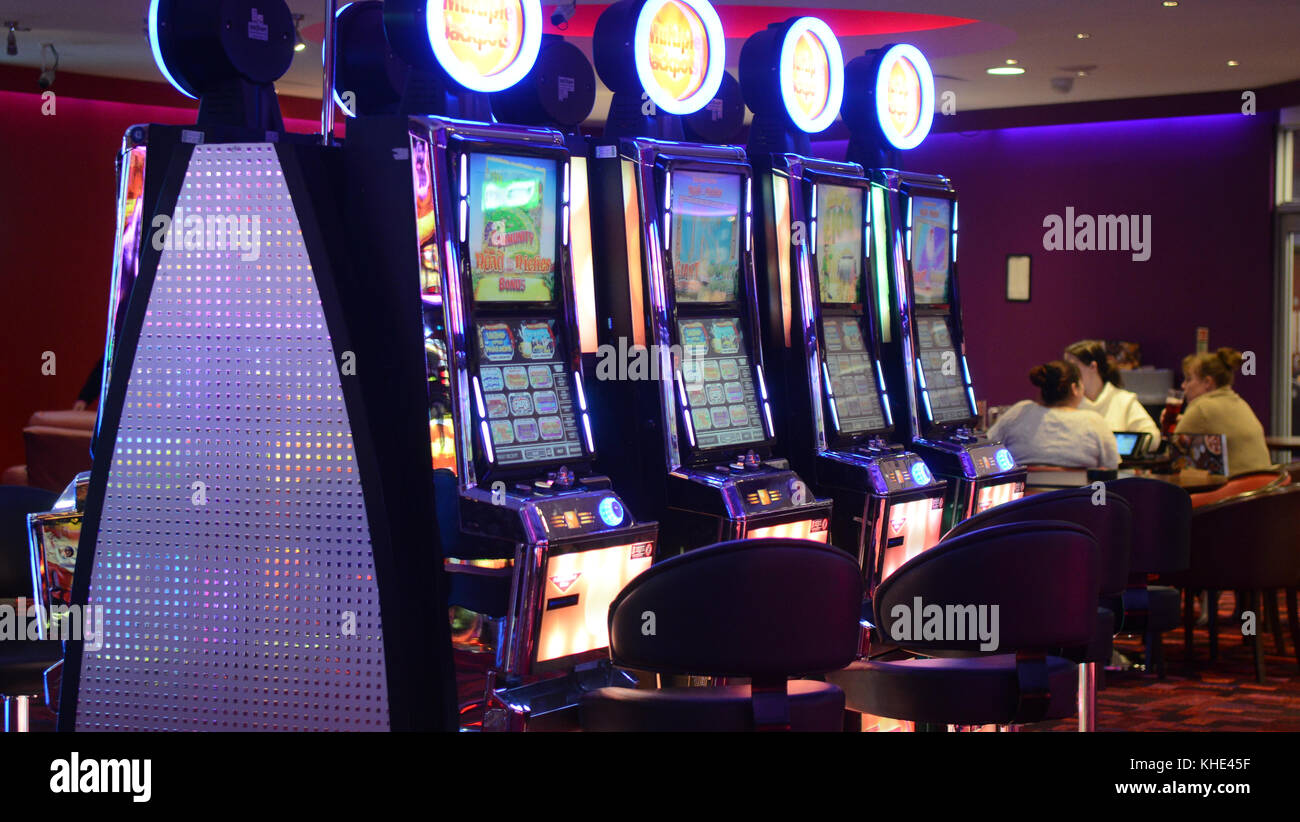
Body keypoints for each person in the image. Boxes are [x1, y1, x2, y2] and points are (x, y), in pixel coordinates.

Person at [987, 360, 1119, 469]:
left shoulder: (1020, 411)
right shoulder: (1094, 421)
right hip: (1079, 499)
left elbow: (987, 447)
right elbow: (1111, 466)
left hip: (1024, 499)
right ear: (1074, 388)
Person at [1173, 347, 1272, 474]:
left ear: (1207, 382)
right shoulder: (1239, 402)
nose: (1183, 385)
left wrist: (1167, 427)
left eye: (1188, 379)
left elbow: (1174, 453)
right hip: (1265, 487)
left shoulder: (1201, 407)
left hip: (1235, 490)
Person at [1063, 339, 1160, 440]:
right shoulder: (1066, 403)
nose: (1068, 373)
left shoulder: (1123, 400)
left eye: (1073, 367)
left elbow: (1152, 437)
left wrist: (1118, 446)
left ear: (1093, 367)